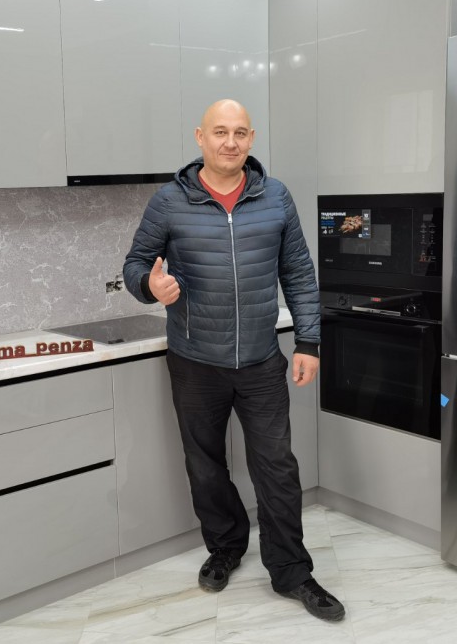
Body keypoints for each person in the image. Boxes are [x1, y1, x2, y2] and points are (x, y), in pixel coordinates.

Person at [122, 99, 344, 622]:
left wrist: (309, 343)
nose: (230, 142)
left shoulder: (276, 197)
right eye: (220, 132)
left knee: (277, 467)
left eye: (240, 132)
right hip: (195, 361)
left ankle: (292, 571)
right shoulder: (169, 201)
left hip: (262, 360)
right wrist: (151, 286)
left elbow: (299, 273)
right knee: (205, 465)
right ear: (200, 137)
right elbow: (135, 265)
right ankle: (225, 547)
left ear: (252, 138)